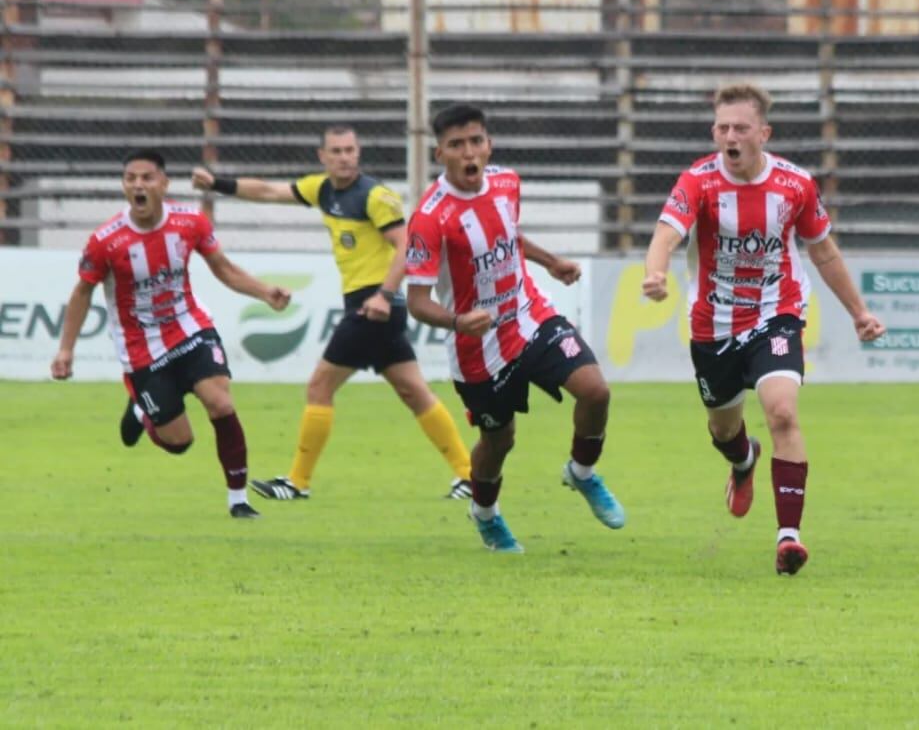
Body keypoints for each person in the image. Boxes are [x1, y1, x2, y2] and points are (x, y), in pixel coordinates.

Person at [641, 82, 886, 575]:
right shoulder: (698, 181)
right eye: (722, 127)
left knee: (782, 413)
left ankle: (788, 536)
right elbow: (667, 232)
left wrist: (859, 311)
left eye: (740, 128)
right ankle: (742, 460)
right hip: (713, 325)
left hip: (777, 313)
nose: (729, 136)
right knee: (723, 428)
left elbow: (823, 251)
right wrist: (656, 271)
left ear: (763, 133)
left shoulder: (795, 185)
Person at [191, 125, 474, 502]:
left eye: (350, 150)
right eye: (336, 151)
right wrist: (218, 183)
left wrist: (384, 296)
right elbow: (270, 191)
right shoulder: (322, 189)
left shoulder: (374, 196)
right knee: (414, 391)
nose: (344, 157)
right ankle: (470, 476)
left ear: (358, 154)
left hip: (375, 307)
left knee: (319, 387)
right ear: (322, 157)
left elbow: (408, 245)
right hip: (372, 306)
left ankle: (297, 482)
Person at [404, 103, 625, 553]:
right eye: (456, 145)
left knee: (596, 391)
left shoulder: (507, 183)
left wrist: (551, 263)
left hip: (529, 316)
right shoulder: (430, 218)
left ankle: (581, 472)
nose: (469, 152)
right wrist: (457, 321)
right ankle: (485, 513)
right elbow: (416, 302)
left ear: (488, 144)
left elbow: (508, 235)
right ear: (439, 153)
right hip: (478, 347)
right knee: (498, 439)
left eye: (476, 141)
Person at [50, 149, 292, 518]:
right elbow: (81, 292)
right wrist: (66, 350)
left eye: (147, 178)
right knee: (180, 442)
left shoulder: (190, 222)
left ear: (163, 183)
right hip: (142, 350)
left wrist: (265, 292)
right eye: (131, 178)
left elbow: (224, 269)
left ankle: (238, 500)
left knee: (221, 403)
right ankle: (142, 411)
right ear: (123, 186)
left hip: (189, 328)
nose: (138, 185)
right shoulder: (106, 241)